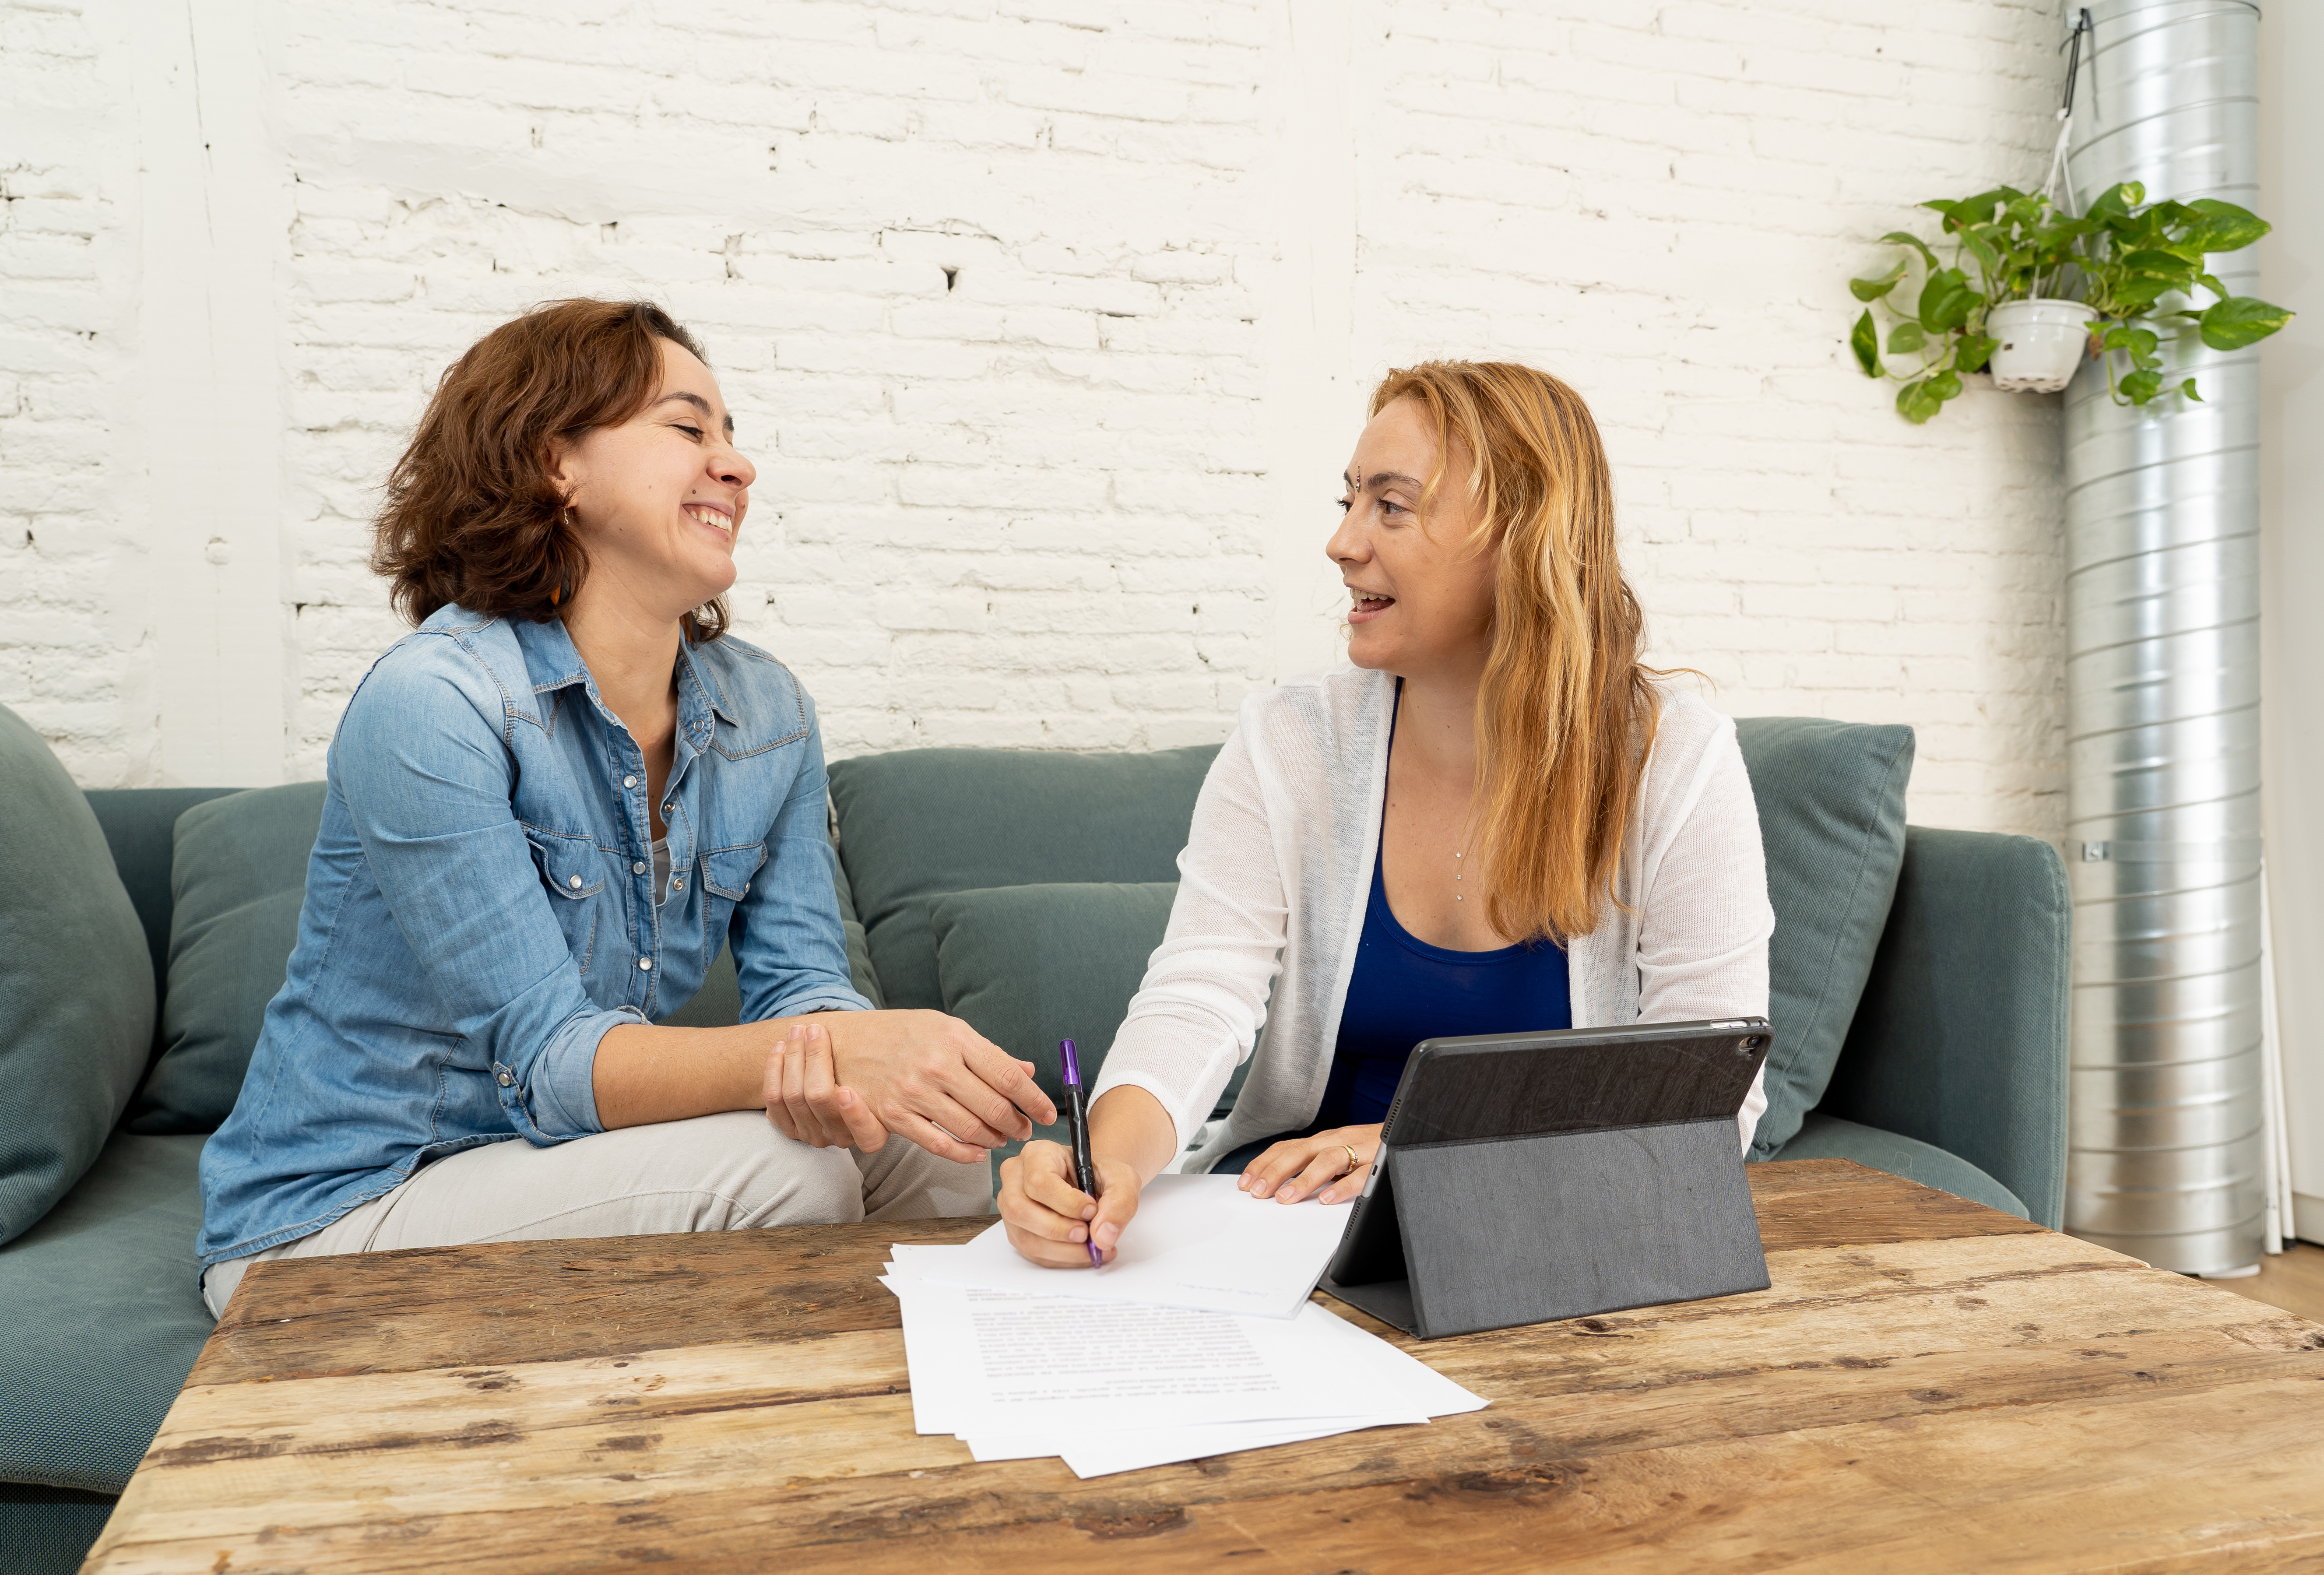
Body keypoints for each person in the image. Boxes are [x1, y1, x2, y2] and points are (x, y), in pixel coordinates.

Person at [197, 299, 1055, 1316]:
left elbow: (801, 985)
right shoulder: (435, 703)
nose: (735, 465)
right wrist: (847, 1055)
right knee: (791, 1175)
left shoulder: (765, 711)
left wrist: (864, 1070)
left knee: (958, 1160)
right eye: (689, 428)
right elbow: (554, 1061)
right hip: (345, 1210)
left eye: (733, 436)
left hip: (565, 1170)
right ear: (557, 461)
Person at [995, 359, 1774, 1267]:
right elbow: (1200, 993)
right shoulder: (1289, 738)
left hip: (1536, 1222)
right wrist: (1108, 1159)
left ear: (1522, 538)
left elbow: (1710, 1092)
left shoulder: (1672, 757)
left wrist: (1412, 1152)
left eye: (1390, 507)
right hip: (1283, 1214)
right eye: (1349, 499)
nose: (1341, 542)